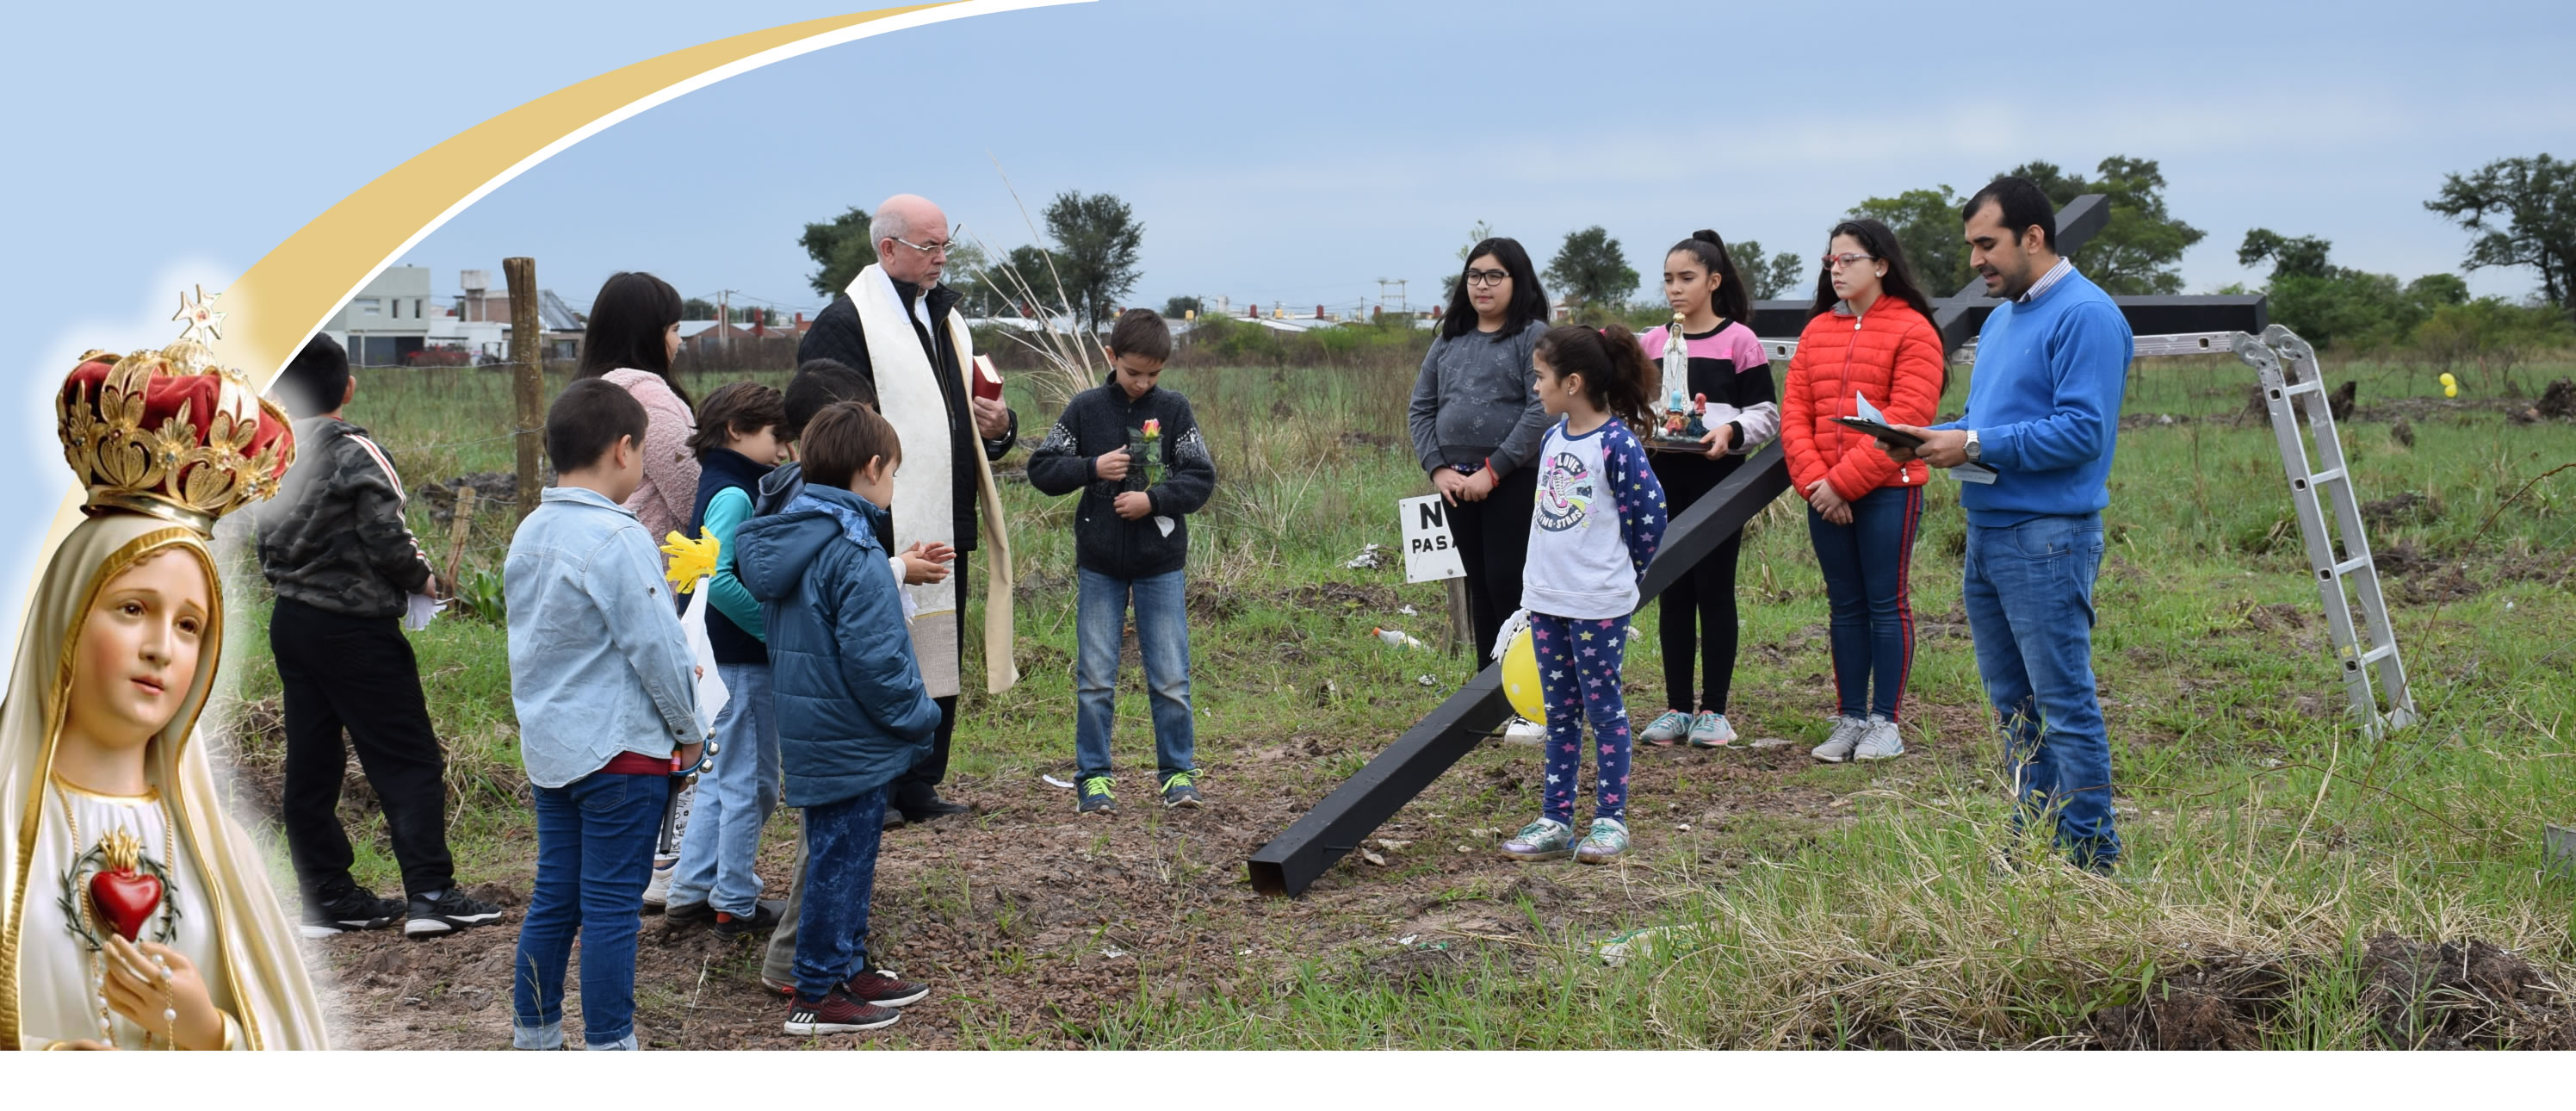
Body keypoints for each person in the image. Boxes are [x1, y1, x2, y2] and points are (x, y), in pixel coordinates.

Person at [4, 336, 329, 1048]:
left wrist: (209, 1032)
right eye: (132, 609)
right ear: (65, 615)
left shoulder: (221, 852)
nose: (162, 648)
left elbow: (296, 1054)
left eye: (189, 626)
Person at [1879, 177, 2134, 873]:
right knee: (2014, 707)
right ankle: (2032, 844)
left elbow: (2082, 431)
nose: (1975, 262)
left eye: (1986, 244)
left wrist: (1972, 444)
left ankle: (2092, 861)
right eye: (1971, 246)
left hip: (2048, 537)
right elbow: (1988, 421)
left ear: (2033, 237)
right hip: (1989, 535)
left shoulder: (2086, 315)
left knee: (2063, 703)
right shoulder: (2001, 321)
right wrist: (1929, 435)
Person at [253, 333, 500, 938]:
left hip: (292, 621)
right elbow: (388, 536)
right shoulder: (356, 450)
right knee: (406, 756)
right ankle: (432, 894)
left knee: (312, 764)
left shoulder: (268, 453)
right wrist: (425, 581)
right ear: (349, 387)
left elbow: (261, 541)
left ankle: (326, 897)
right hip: (356, 629)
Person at [796, 194, 1019, 825]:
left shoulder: (944, 317)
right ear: (888, 248)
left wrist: (1000, 426)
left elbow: (961, 421)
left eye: (947, 245)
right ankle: (878, 786)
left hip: (946, 511)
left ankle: (921, 782)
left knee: (938, 648)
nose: (942, 258)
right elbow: (827, 429)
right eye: (930, 246)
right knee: (880, 652)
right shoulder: (846, 322)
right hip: (879, 523)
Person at [502, 379, 709, 1051]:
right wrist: (690, 733)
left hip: (554, 751)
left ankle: (535, 1038)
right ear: (624, 450)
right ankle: (611, 1046)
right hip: (623, 754)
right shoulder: (618, 537)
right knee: (613, 909)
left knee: (555, 900)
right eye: (643, 452)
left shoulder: (530, 532)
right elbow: (658, 647)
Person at [734, 402, 940, 1035]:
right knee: (839, 864)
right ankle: (817, 992)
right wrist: (921, 716)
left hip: (818, 732)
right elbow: (878, 661)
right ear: (871, 468)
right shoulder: (852, 551)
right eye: (893, 473)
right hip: (851, 735)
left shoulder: (798, 537)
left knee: (843, 856)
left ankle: (848, 967)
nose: (892, 486)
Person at [1025, 310, 1219, 815]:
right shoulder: (1085, 408)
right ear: (1111, 357)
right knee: (1095, 677)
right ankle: (1094, 779)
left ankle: (1178, 774)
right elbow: (1042, 468)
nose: (1143, 383)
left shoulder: (1174, 410)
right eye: (1134, 372)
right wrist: (1092, 468)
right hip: (1100, 564)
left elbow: (1200, 478)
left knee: (1171, 677)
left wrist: (1152, 501)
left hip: (1161, 564)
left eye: (1153, 374)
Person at [1499, 325, 1668, 865]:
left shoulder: (1617, 444)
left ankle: (1610, 822)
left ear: (1572, 383)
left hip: (1597, 605)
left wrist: (1619, 576)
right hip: (1547, 600)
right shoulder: (1552, 439)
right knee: (1559, 713)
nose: (1535, 387)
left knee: (1604, 711)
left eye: (1540, 377)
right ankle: (1556, 820)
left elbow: (1650, 518)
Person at [1780, 220, 1947, 765]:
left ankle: (1885, 723)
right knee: (1844, 605)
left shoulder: (1913, 330)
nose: (1837, 269)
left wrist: (1841, 483)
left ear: (1881, 265)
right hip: (1823, 494)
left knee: (1885, 602)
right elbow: (1795, 415)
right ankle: (1850, 716)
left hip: (1888, 490)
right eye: (1831, 260)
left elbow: (1907, 418)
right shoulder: (1816, 332)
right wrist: (1817, 484)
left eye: (1848, 259)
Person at [1634, 232, 1778, 749]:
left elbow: (1766, 413)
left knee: (1714, 590)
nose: (1675, 288)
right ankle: (1676, 708)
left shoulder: (1740, 341)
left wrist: (1730, 432)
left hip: (1718, 481)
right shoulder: (1652, 343)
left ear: (1714, 282)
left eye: (1686, 278)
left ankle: (1714, 710)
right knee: (1672, 589)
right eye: (1668, 279)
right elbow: (1633, 407)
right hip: (1662, 479)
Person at [661, 382, 790, 940]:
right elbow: (718, 578)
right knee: (752, 785)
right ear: (737, 430)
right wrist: (772, 628)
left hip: (719, 659)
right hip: (741, 661)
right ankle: (735, 901)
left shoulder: (717, 482)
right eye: (776, 436)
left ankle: (692, 890)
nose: (784, 450)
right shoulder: (736, 493)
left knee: (719, 779)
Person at [1408, 237, 1551, 663]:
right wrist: (1438, 469)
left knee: (1508, 581)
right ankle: (1487, 687)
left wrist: (1493, 471)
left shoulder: (1532, 336)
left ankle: (1524, 685)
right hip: (1454, 483)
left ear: (1517, 280)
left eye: (1494, 276)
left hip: (1514, 477)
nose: (1482, 285)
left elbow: (1540, 410)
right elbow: (1421, 408)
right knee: (1479, 585)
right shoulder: (1449, 339)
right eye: (1474, 275)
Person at [576, 271, 701, 543]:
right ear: (648, 335)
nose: (679, 341)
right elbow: (691, 497)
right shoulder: (649, 400)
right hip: (654, 556)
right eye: (675, 329)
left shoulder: (584, 396)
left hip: (595, 544)